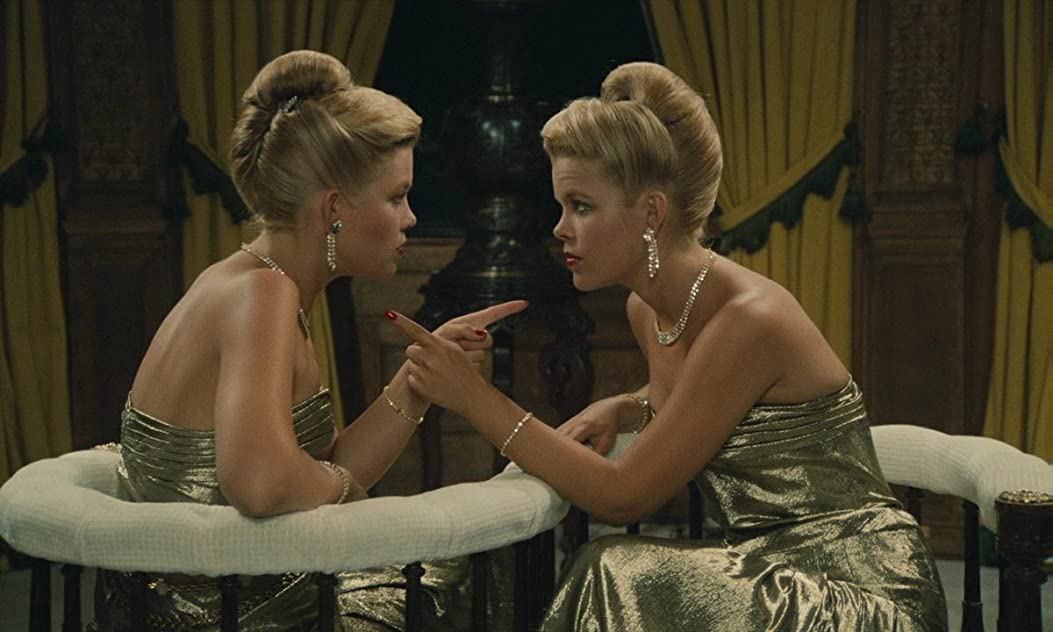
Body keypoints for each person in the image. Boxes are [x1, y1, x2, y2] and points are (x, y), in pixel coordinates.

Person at [387, 62, 948, 631]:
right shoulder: (648, 309)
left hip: (863, 593)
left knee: (615, 569)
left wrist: (474, 398)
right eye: (561, 206)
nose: (560, 228)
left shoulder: (749, 320)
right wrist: (628, 406)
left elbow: (623, 498)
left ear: (651, 213)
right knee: (602, 566)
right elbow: (691, 398)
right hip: (764, 573)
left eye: (581, 206)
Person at [94, 50, 525, 631]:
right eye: (396, 196)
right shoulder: (263, 295)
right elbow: (264, 484)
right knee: (468, 569)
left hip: (237, 591)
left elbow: (306, 473)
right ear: (334, 209)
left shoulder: (255, 282)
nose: (411, 218)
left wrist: (415, 382)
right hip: (219, 615)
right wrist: (354, 502)